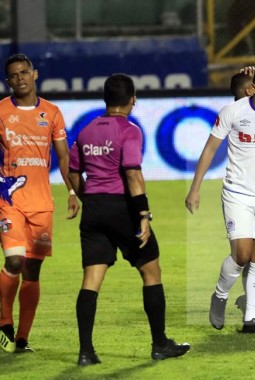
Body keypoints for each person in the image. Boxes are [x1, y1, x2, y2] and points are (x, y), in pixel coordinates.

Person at [68, 74, 190, 365]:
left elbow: (73, 174)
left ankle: (86, 352)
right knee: (151, 271)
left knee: (91, 279)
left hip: (94, 210)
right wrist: (143, 215)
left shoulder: (85, 130)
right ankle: (160, 344)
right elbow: (133, 173)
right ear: (132, 99)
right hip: (122, 207)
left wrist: (90, 200)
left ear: (106, 99)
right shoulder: (129, 130)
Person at [185, 65, 255, 333]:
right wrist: (195, 188)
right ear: (254, 88)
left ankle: (251, 319)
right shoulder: (233, 112)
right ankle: (220, 295)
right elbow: (210, 149)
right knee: (242, 254)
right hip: (237, 194)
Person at [0, 54, 79, 354]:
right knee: (14, 262)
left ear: (35, 74)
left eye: (24, 72)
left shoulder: (52, 113)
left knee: (32, 272)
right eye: (13, 75)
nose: (20, 78)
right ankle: (4, 320)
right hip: (9, 200)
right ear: (8, 81)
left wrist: (72, 192)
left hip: (41, 204)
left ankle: (22, 338)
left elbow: (63, 157)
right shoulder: (1, 112)